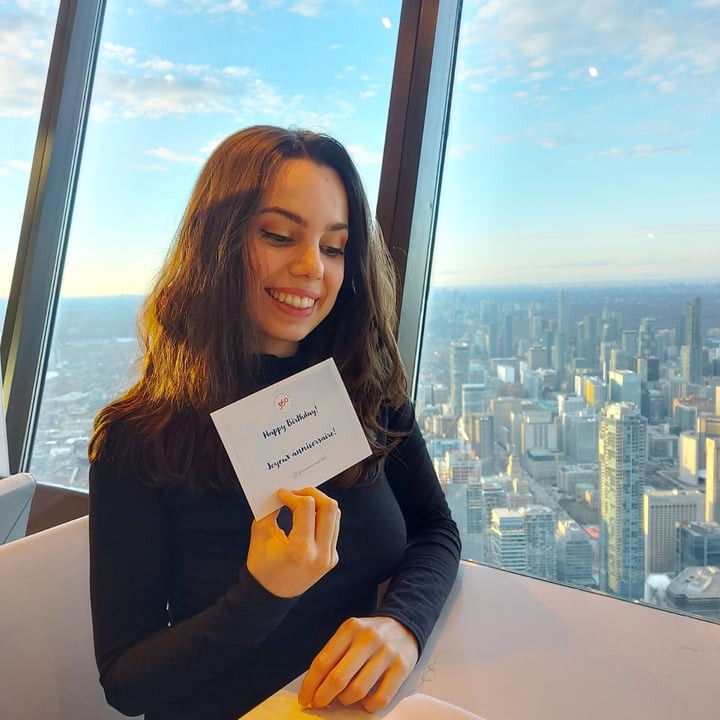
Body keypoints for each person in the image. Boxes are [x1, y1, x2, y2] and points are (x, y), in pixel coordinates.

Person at [88, 125, 461, 720]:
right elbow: (127, 683)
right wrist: (262, 594)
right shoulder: (141, 439)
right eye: (279, 235)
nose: (312, 266)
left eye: (335, 247)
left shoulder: (364, 389)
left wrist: (401, 624)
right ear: (217, 243)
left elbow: (436, 529)